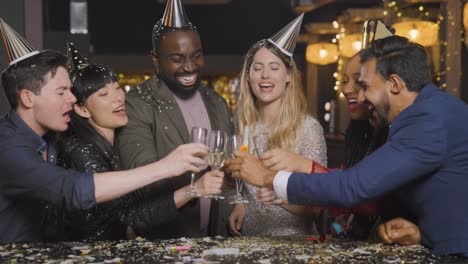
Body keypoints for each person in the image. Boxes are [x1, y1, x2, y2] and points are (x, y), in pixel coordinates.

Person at [226, 35, 468, 257]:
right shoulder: (432, 111)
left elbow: (352, 186)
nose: (360, 97)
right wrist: (422, 234)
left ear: (394, 84)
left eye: (366, 86)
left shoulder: (428, 121)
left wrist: (269, 178)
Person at [0, 18, 208, 243]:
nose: (71, 99)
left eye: (71, 91)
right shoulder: (7, 146)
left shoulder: (54, 137)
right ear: (28, 98)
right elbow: (72, 190)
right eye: (61, 92)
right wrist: (167, 166)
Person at [42, 43, 223, 242]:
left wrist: (195, 187)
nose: (118, 98)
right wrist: (193, 188)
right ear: (82, 109)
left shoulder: (117, 143)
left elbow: (133, 211)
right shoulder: (81, 151)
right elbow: (134, 216)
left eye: (117, 88)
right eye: (103, 94)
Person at [117, 0, 233, 238]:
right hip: (165, 242)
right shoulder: (138, 104)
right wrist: (193, 184)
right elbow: (140, 179)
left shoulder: (217, 102)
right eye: (177, 58)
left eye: (196, 55)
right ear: (155, 59)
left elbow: (228, 169)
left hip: (214, 240)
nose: (190, 67)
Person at [227, 14, 327, 237]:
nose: (265, 75)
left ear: (289, 75)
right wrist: (241, 203)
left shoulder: (308, 129)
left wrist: (277, 195)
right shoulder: (242, 125)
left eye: (274, 67)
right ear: (248, 75)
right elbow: (242, 183)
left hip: (295, 245)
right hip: (250, 242)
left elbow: (318, 206)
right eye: (257, 67)